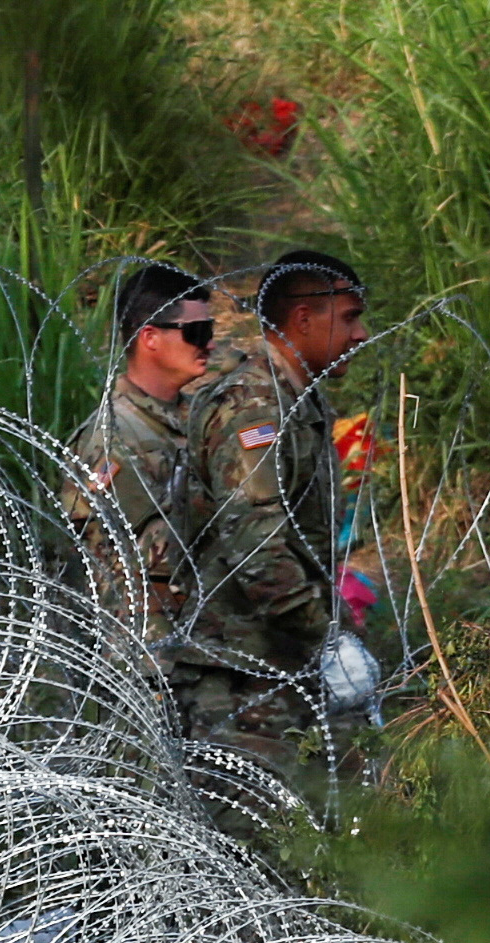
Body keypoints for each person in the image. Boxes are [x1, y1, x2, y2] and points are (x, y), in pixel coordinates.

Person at [179, 250, 376, 774]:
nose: (361, 335)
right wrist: (329, 635)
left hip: (281, 658)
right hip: (243, 668)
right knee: (262, 837)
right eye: (350, 318)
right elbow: (257, 547)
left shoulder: (299, 401)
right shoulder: (256, 407)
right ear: (303, 320)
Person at [64, 264, 222, 676]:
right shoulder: (115, 435)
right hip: (145, 657)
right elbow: (150, 550)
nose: (207, 344)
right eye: (196, 333)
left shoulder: (189, 419)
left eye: (209, 331)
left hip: (191, 645)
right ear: (150, 338)